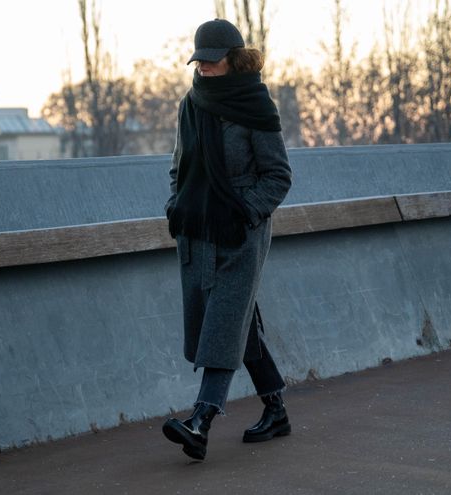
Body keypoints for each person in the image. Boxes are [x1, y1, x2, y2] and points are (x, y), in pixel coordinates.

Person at [161, 18, 293, 461]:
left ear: (234, 60)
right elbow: (178, 167)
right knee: (236, 321)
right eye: (199, 62)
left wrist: (245, 213)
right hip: (199, 233)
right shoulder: (191, 104)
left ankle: (200, 420)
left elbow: (278, 176)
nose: (204, 69)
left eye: (213, 62)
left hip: (241, 234)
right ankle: (276, 409)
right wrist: (175, 207)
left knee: (221, 324)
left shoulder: (255, 105)